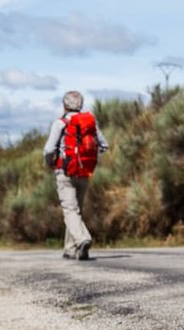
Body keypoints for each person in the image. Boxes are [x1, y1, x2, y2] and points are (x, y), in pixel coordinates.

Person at [43, 90, 109, 261]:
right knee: (76, 211)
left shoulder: (60, 123)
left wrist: (50, 162)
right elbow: (104, 145)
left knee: (70, 210)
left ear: (65, 105)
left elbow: (49, 149)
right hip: (84, 172)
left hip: (65, 172)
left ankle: (82, 239)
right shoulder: (89, 123)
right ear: (81, 104)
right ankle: (70, 249)